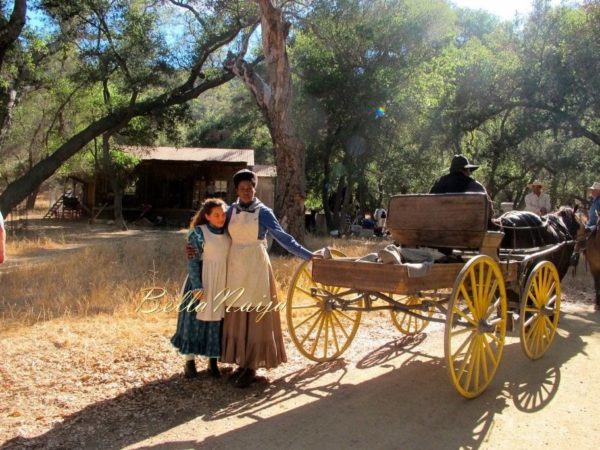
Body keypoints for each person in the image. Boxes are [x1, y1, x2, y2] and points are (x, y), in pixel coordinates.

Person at [222, 169, 316, 388]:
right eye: (242, 188)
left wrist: (308, 255)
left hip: (255, 266)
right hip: (235, 265)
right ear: (236, 190)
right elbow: (216, 232)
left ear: (255, 189)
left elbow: (282, 237)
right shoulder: (230, 211)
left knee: (255, 313)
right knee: (237, 312)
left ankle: (251, 365)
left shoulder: (263, 212)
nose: (246, 191)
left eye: (250, 188)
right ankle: (240, 362)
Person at [171, 198, 230, 379]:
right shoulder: (198, 233)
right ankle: (189, 362)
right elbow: (193, 261)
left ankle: (213, 362)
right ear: (207, 216)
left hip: (220, 282)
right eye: (216, 215)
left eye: (223, 214)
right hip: (201, 280)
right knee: (193, 322)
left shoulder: (228, 234)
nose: (221, 218)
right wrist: (197, 286)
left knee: (216, 323)